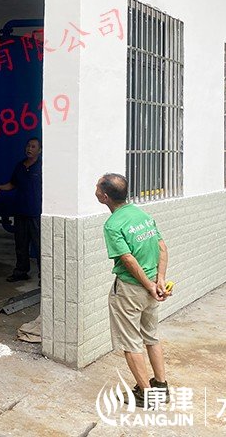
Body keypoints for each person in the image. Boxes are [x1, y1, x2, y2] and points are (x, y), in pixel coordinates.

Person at [95, 173, 170, 409]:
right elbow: (162, 247)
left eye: (97, 188)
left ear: (104, 196)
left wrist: (148, 285)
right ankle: (161, 386)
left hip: (130, 290)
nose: (95, 190)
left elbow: (127, 259)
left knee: (131, 343)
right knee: (151, 336)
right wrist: (159, 281)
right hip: (152, 288)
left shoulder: (113, 225)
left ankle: (146, 395)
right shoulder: (141, 215)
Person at [0, 137, 42, 282]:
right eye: (28, 146)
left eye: (33, 147)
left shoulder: (42, 166)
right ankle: (21, 272)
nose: (29, 149)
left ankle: (44, 275)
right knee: (21, 244)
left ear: (39, 150)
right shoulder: (20, 166)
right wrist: (1, 187)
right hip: (20, 211)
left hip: (35, 213)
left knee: (39, 245)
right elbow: (13, 184)